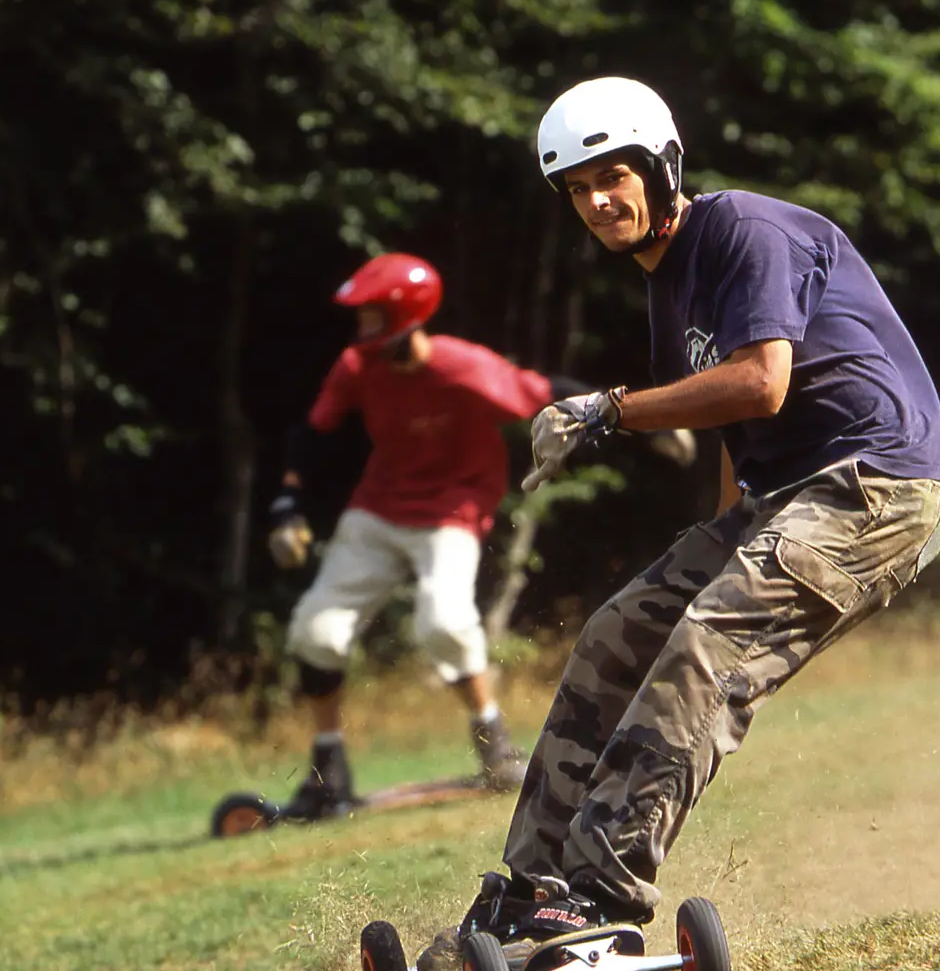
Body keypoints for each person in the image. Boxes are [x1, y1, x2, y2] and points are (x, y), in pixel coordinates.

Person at [416, 78, 940, 969]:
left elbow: (760, 382)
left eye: (613, 176)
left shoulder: (743, 229)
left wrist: (607, 410)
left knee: (702, 651)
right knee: (614, 639)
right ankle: (530, 894)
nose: (597, 201)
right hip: (778, 498)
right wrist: (724, 537)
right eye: (576, 188)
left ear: (662, 166)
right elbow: (733, 431)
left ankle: (596, 897)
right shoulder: (668, 287)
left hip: (875, 486)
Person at [271, 251, 697, 821]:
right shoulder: (357, 367)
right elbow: (312, 432)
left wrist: (648, 427)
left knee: (443, 623)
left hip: (451, 512)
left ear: (401, 319)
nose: (359, 329)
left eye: (370, 317)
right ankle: (328, 771)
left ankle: (494, 745)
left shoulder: (459, 367)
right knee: (316, 631)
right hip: (378, 510)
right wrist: (287, 506)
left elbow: (551, 391)